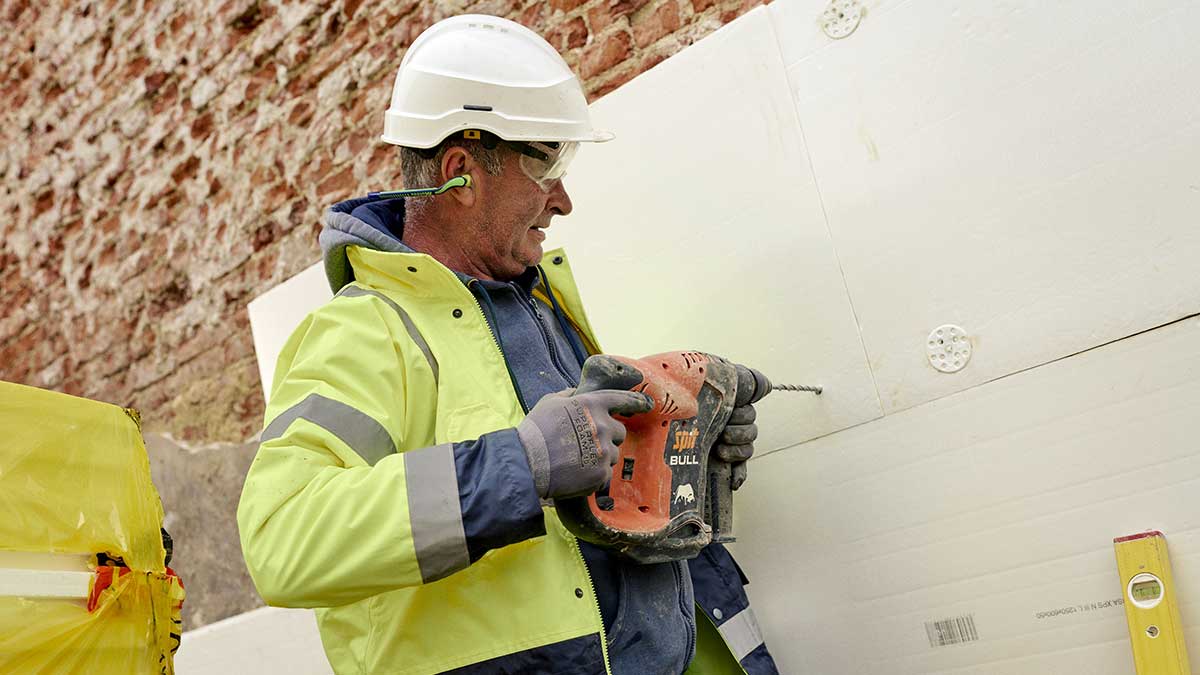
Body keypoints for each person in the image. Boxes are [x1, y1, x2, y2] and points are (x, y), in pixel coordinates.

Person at [237, 14, 779, 674]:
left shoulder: (540, 307)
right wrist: (519, 463)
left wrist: (678, 463)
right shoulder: (362, 333)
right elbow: (283, 538)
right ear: (461, 172)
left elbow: (586, 533)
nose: (563, 199)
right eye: (546, 162)